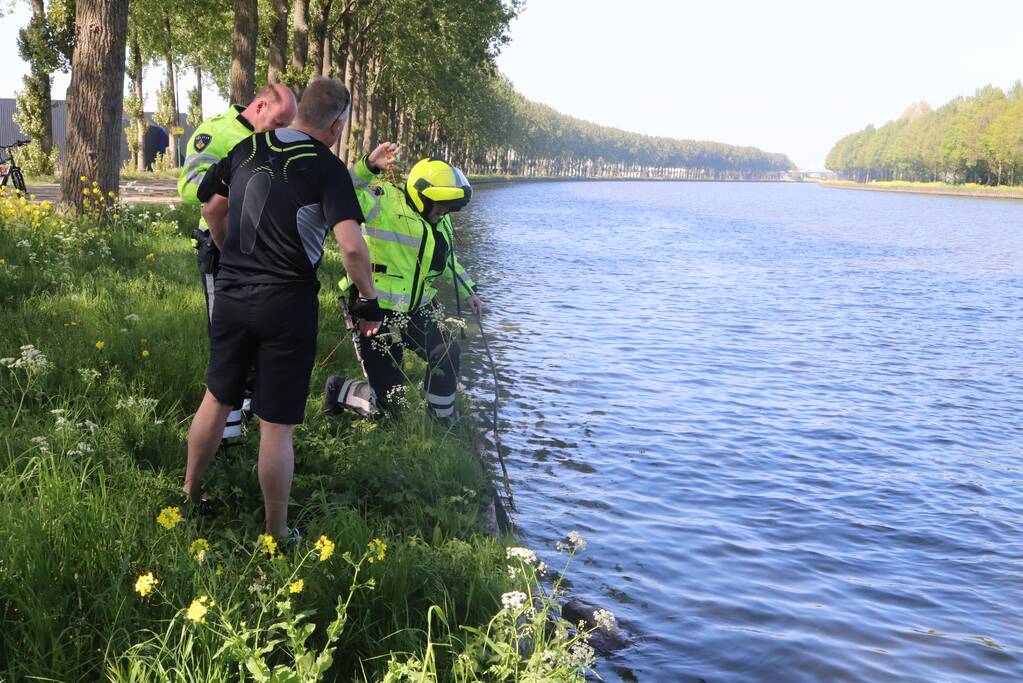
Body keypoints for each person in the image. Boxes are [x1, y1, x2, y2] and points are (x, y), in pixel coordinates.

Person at [183, 77, 378, 540]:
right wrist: (369, 301)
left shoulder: (247, 148)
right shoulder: (327, 167)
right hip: (287, 303)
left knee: (217, 397)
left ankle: (189, 494)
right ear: (336, 124)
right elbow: (351, 249)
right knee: (276, 424)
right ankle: (276, 533)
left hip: (232, 293)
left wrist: (230, 255)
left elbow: (211, 208)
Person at [323, 142, 482, 422]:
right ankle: (339, 389)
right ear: (424, 196)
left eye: (449, 207)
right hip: (375, 310)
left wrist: (469, 292)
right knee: (390, 406)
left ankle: (442, 418)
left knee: (447, 351)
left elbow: (447, 261)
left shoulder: (440, 220)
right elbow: (341, 188)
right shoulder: (381, 200)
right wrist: (368, 166)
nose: (444, 211)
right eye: (441, 205)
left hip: (417, 308)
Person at [177, 84, 298, 439]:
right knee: (227, 336)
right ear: (260, 105)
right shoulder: (216, 133)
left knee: (257, 332)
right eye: (277, 122)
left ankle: (245, 412)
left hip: (263, 248)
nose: (279, 132)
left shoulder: (272, 140)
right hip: (222, 244)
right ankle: (226, 437)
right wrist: (237, 179)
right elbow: (189, 188)